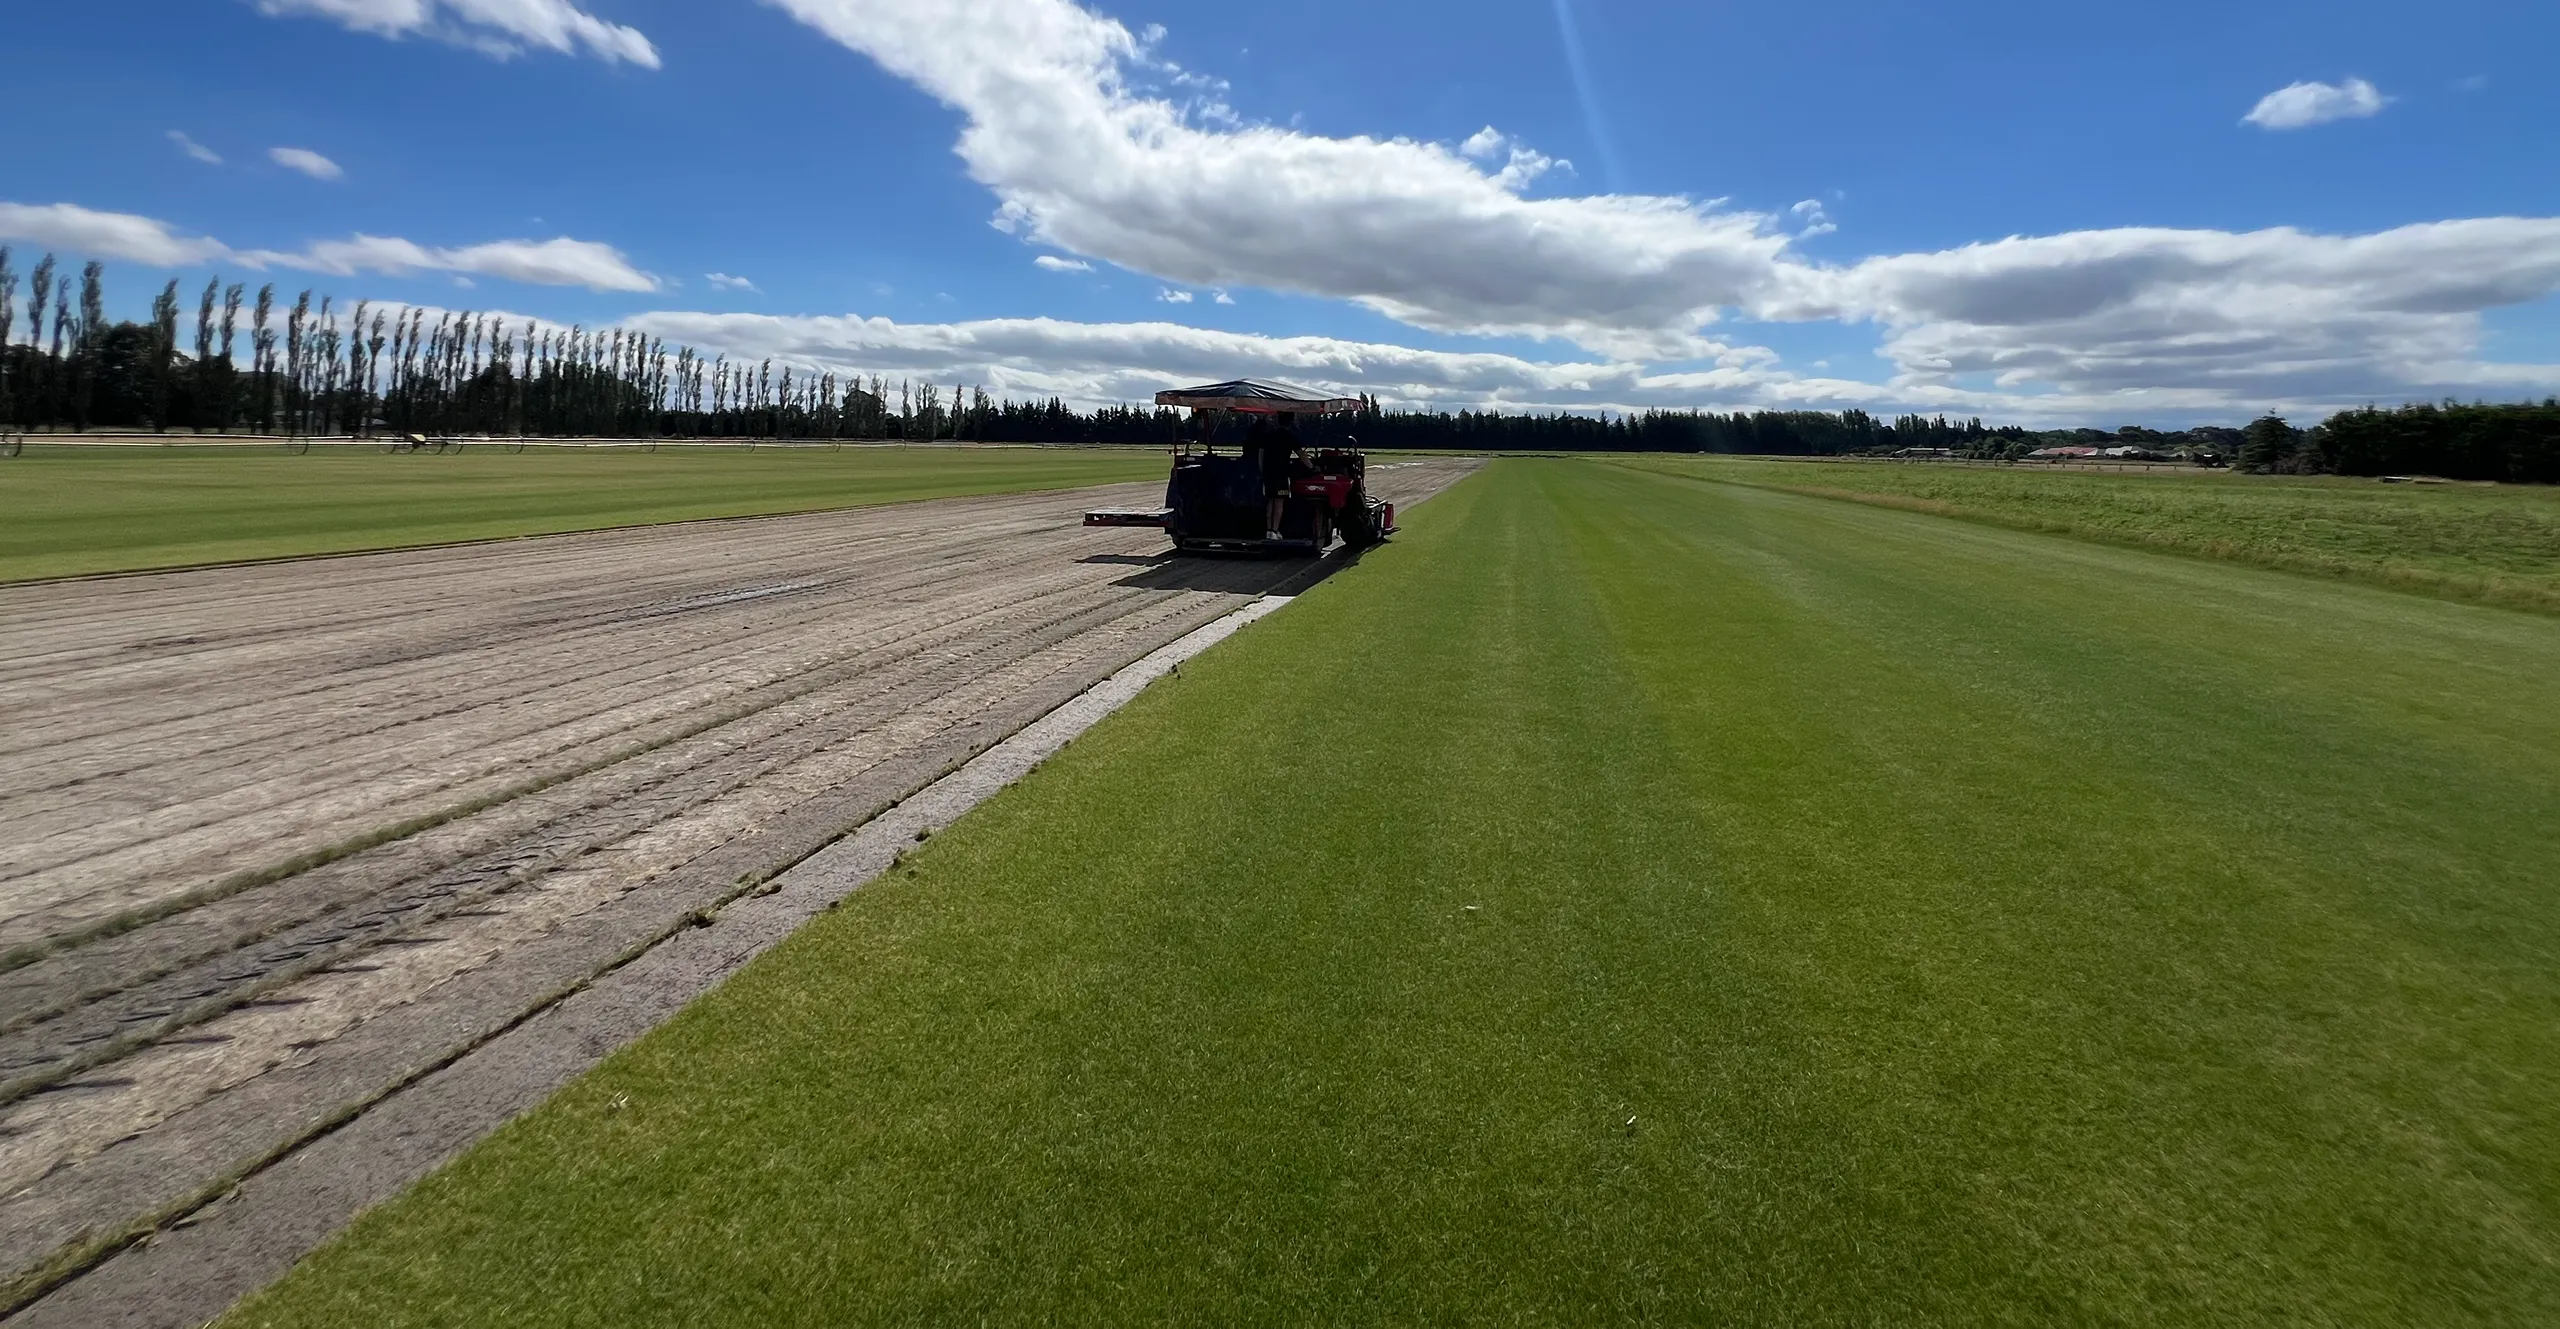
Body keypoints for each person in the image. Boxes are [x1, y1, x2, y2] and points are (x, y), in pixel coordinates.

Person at [1259, 416, 1297, 539]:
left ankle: (1269, 530)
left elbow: (1261, 454)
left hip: (1268, 473)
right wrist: (1312, 467)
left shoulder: (1268, 435)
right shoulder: (1289, 436)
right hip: (1282, 474)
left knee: (1270, 501)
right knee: (1279, 502)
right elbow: (1301, 453)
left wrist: (1262, 469)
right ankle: (1275, 530)